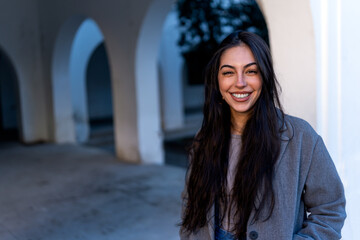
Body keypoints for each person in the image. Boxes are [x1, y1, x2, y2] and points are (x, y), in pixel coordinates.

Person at [179, 31, 346, 240]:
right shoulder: (204, 137)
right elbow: (190, 202)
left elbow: (330, 209)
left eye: (251, 71)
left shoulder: (301, 137)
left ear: (264, 76)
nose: (240, 83)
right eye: (228, 72)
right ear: (217, 81)